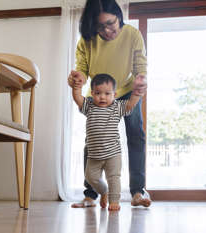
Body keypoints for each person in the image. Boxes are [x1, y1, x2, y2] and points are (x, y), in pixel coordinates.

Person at [68, 0, 151, 208]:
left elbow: (140, 64)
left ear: (119, 17)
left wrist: (141, 79)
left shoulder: (132, 34)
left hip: (126, 91)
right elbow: (83, 68)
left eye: (110, 23)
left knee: (136, 134)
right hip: (99, 95)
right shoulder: (86, 41)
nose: (107, 30)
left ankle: (137, 192)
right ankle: (91, 194)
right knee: (93, 138)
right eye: (100, 26)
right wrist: (78, 78)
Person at [70, 73, 145, 211]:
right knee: (91, 177)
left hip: (113, 154)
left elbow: (130, 105)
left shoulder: (116, 107)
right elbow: (78, 98)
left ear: (114, 94)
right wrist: (77, 87)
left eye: (107, 93)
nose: (102, 97)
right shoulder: (90, 106)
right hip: (93, 156)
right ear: (92, 93)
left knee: (114, 178)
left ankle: (114, 201)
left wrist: (137, 93)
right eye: (98, 93)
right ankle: (103, 191)